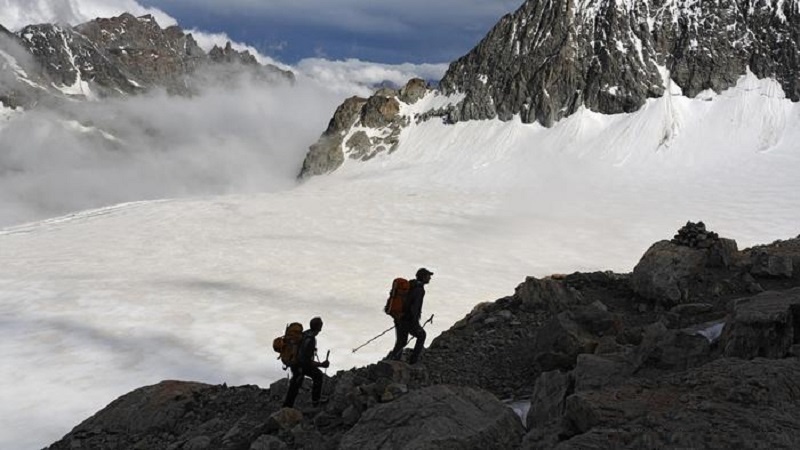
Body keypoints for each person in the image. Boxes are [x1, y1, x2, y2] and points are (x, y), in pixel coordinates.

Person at [388, 267, 433, 364]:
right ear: (423, 277)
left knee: (401, 341)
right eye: (428, 276)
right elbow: (414, 307)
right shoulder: (419, 290)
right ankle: (413, 361)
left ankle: (394, 360)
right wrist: (415, 323)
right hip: (408, 319)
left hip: (399, 317)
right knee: (421, 335)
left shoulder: (411, 285)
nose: (430, 278)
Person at [283, 316, 330, 408]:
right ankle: (314, 403)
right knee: (316, 376)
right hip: (300, 365)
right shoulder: (311, 339)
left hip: (296, 363)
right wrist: (321, 364)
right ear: (319, 327)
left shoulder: (305, 333)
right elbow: (306, 360)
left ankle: (287, 406)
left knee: (296, 384)